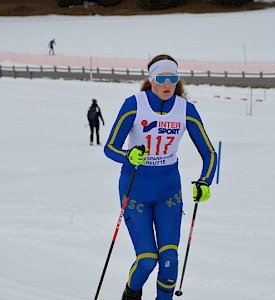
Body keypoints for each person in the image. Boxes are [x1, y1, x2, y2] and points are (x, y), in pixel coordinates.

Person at [104, 54, 217, 300]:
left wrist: (205, 182)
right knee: (147, 260)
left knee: (168, 263)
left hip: (168, 191)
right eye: (162, 78)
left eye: (172, 78)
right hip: (136, 190)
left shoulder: (185, 109)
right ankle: (131, 294)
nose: (168, 84)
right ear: (152, 79)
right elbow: (110, 148)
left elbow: (209, 153)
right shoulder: (134, 104)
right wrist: (128, 155)